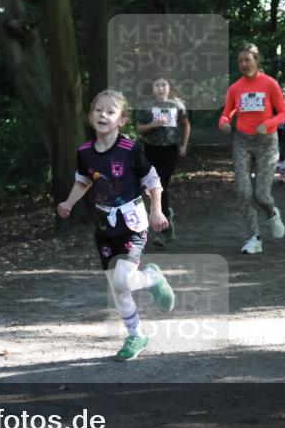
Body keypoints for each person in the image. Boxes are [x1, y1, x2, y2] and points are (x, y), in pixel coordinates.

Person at [57, 90, 175, 362]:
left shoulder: (130, 149)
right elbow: (83, 181)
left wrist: (156, 211)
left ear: (121, 120)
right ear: (90, 117)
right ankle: (136, 335)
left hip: (132, 224)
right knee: (118, 286)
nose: (103, 115)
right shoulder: (85, 152)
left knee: (124, 279)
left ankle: (154, 278)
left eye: (110, 111)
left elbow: (153, 180)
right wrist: (68, 202)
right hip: (104, 228)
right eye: (98, 110)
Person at [219, 43, 285, 254]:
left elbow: (283, 114)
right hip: (242, 142)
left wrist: (267, 125)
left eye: (247, 60)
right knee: (243, 191)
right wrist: (223, 122)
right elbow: (226, 112)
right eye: (240, 61)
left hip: (267, 143)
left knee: (261, 195)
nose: (243, 64)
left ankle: (272, 213)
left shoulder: (270, 84)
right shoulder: (235, 88)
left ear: (256, 61)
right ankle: (254, 238)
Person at [134, 76, 191, 247]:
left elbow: (187, 125)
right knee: (153, 188)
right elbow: (139, 128)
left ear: (169, 87)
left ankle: (161, 230)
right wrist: (153, 124)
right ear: (153, 88)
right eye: (157, 85)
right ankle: (166, 218)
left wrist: (184, 146)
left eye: (163, 85)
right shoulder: (147, 106)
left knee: (161, 186)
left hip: (170, 149)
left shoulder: (177, 105)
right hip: (150, 148)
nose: (160, 88)